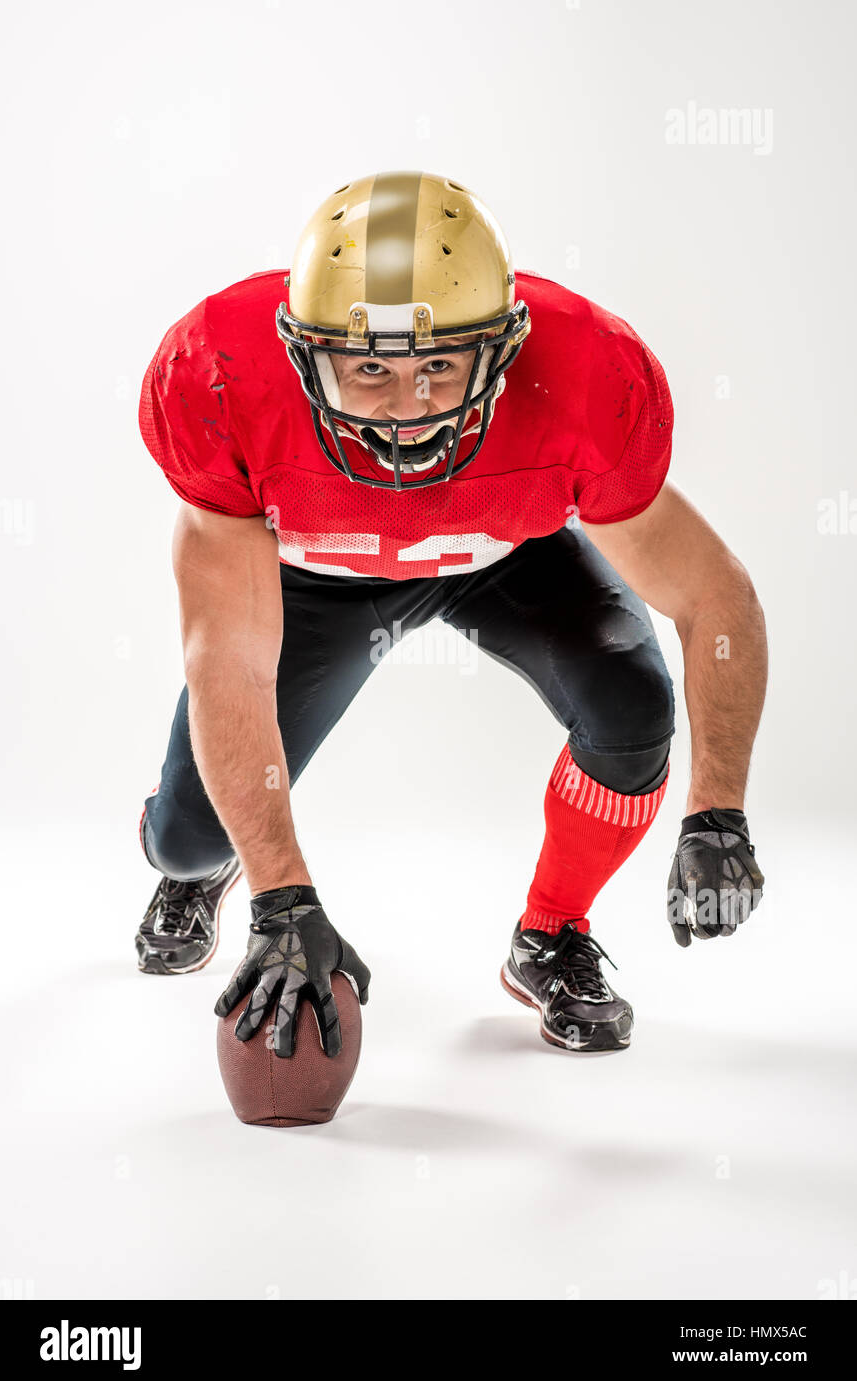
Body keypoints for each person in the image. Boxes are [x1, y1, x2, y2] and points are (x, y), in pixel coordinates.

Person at [135, 170, 766, 1056]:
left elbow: (713, 598)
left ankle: (551, 933)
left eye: (438, 363)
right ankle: (204, 864)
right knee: (188, 839)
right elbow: (227, 660)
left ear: (503, 346)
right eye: (368, 370)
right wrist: (282, 898)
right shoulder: (219, 376)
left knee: (632, 706)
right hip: (314, 572)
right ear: (300, 353)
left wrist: (717, 813)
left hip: (503, 552)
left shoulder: (586, 373)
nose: (409, 407)